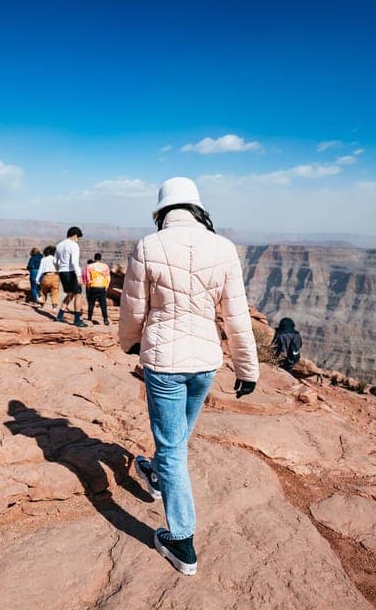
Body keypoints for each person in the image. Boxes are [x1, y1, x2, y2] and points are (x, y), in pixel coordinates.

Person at [118, 177, 259, 576]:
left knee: (173, 447)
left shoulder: (149, 246)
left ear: (162, 211)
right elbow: (236, 316)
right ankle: (156, 474)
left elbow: (133, 307)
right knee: (176, 439)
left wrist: (130, 342)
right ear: (197, 208)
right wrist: (247, 368)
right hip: (205, 362)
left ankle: (181, 540)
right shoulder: (223, 248)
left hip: (164, 362)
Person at [54, 226, 87, 327]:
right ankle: (77, 320)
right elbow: (74, 262)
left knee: (70, 293)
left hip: (62, 272)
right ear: (75, 235)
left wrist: (59, 270)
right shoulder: (74, 245)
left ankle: (60, 316)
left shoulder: (59, 245)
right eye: (78, 238)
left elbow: (55, 261)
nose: (78, 240)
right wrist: (79, 275)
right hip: (71, 272)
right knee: (78, 294)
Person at [84, 253, 111, 325]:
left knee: (91, 303)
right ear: (100, 258)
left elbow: (88, 278)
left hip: (93, 286)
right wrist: (106, 287)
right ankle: (105, 320)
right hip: (102, 287)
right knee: (103, 304)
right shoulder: (105, 266)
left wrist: (88, 287)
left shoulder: (89, 266)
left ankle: (89, 318)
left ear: (94, 258)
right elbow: (108, 278)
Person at [35, 245, 60, 309]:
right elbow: (59, 268)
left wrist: (37, 279)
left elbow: (40, 270)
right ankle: (54, 307)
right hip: (55, 276)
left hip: (46, 276)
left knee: (43, 291)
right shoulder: (55, 259)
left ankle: (41, 304)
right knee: (55, 292)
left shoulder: (43, 259)